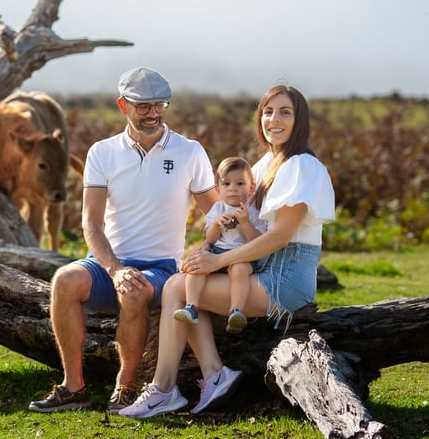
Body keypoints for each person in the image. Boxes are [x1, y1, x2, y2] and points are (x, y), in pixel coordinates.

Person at [119, 82, 335, 419]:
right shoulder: (265, 165)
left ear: (300, 120)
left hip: (285, 277)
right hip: (260, 267)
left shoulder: (301, 165)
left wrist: (218, 259)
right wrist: (207, 247)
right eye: (267, 111)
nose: (273, 119)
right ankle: (212, 375)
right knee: (188, 281)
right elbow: (236, 220)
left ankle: (165, 390)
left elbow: (280, 237)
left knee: (177, 286)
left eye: (285, 112)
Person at [28, 67, 219, 413]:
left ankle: (126, 386)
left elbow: (216, 214)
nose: (152, 113)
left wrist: (208, 249)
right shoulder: (102, 153)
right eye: (143, 106)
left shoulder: (190, 152)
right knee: (64, 281)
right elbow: (91, 222)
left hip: (161, 268)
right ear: (123, 106)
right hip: (107, 264)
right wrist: (114, 269)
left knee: (134, 290)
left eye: (159, 105)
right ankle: (74, 387)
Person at [174, 156, 266, 335]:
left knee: (240, 271)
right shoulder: (217, 209)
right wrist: (216, 224)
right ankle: (191, 306)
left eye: (240, 183)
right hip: (217, 251)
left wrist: (245, 223)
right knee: (197, 267)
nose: (233, 188)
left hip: (242, 255)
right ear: (218, 188)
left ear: (251, 187)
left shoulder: (253, 211)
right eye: (226, 184)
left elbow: (257, 240)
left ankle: (236, 311)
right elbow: (210, 238)